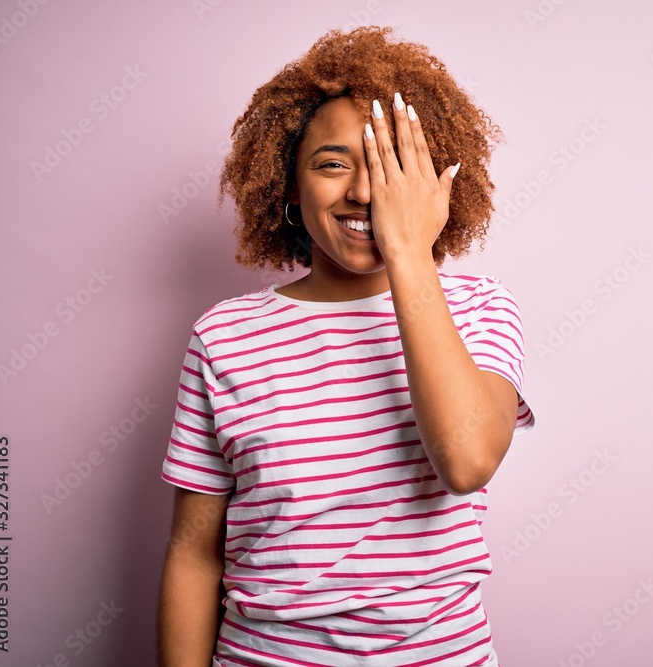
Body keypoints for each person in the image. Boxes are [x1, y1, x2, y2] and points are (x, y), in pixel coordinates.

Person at [156, 25, 536, 667]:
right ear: (287, 185)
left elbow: (468, 461)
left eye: (393, 166)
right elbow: (195, 554)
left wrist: (410, 251)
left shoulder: (479, 307)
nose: (365, 192)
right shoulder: (224, 336)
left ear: (436, 185)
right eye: (334, 163)